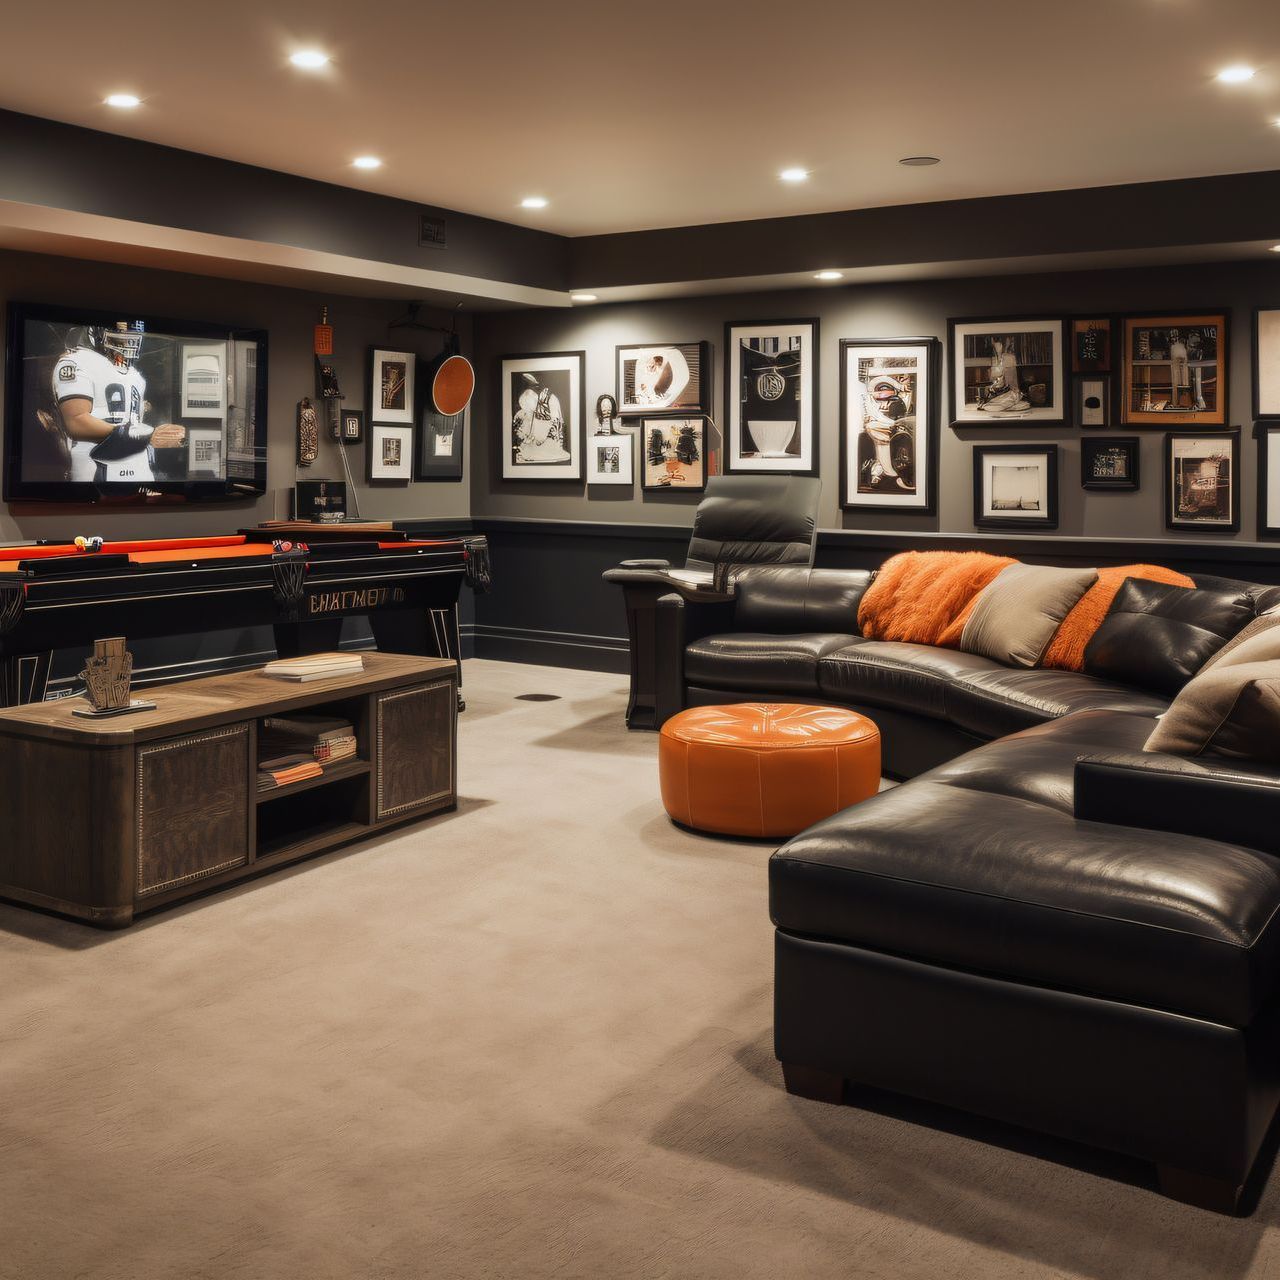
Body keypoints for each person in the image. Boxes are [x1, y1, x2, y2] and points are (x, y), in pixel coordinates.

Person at [52, 320, 185, 483]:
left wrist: (157, 435)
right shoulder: (76, 362)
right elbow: (76, 422)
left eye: (131, 332)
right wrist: (146, 437)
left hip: (138, 467)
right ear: (96, 332)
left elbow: (130, 423)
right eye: (120, 334)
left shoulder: (134, 374)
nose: (128, 340)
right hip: (95, 470)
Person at [512, 374, 570, 463]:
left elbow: (540, 437)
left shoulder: (545, 404)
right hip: (547, 440)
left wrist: (529, 439)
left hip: (549, 445)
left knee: (527, 451)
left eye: (527, 409)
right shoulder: (539, 401)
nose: (527, 413)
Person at [978, 336, 1030, 415]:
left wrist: (1000, 385)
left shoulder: (1009, 358)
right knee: (989, 403)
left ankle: (1002, 405)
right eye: (994, 346)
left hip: (1008, 392)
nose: (996, 348)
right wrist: (993, 386)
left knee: (1012, 402)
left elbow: (1012, 384)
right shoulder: (993, 360)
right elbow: (992, 380)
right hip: (995, 392)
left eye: (999, 345)